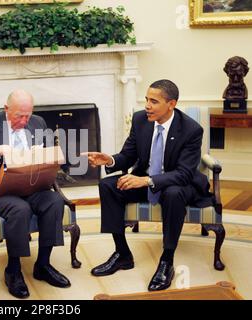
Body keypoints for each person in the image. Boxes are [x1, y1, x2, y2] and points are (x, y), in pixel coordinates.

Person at [84, 79, 212, 291]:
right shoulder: (140, 120)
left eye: (154, 101)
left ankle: (166, 261)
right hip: (147, 179)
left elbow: (183, 174)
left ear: (171, 104)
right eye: (146, 100)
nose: (147, 106)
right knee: (108, 185)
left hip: (179, 184)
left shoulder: (191, 130)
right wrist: (110, 160)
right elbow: (128, 155)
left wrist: (146, 180)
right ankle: (122, 254)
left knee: (172, 193)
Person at [0, 89, 70, 299]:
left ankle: (43, 265)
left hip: (30, 185)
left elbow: (47, 154)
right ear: (6, 109)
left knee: (54, 201)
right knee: (20, 209)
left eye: (28, 115)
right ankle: (13, 270)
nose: (24, 120)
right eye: (19, 115)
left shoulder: (38, 123)